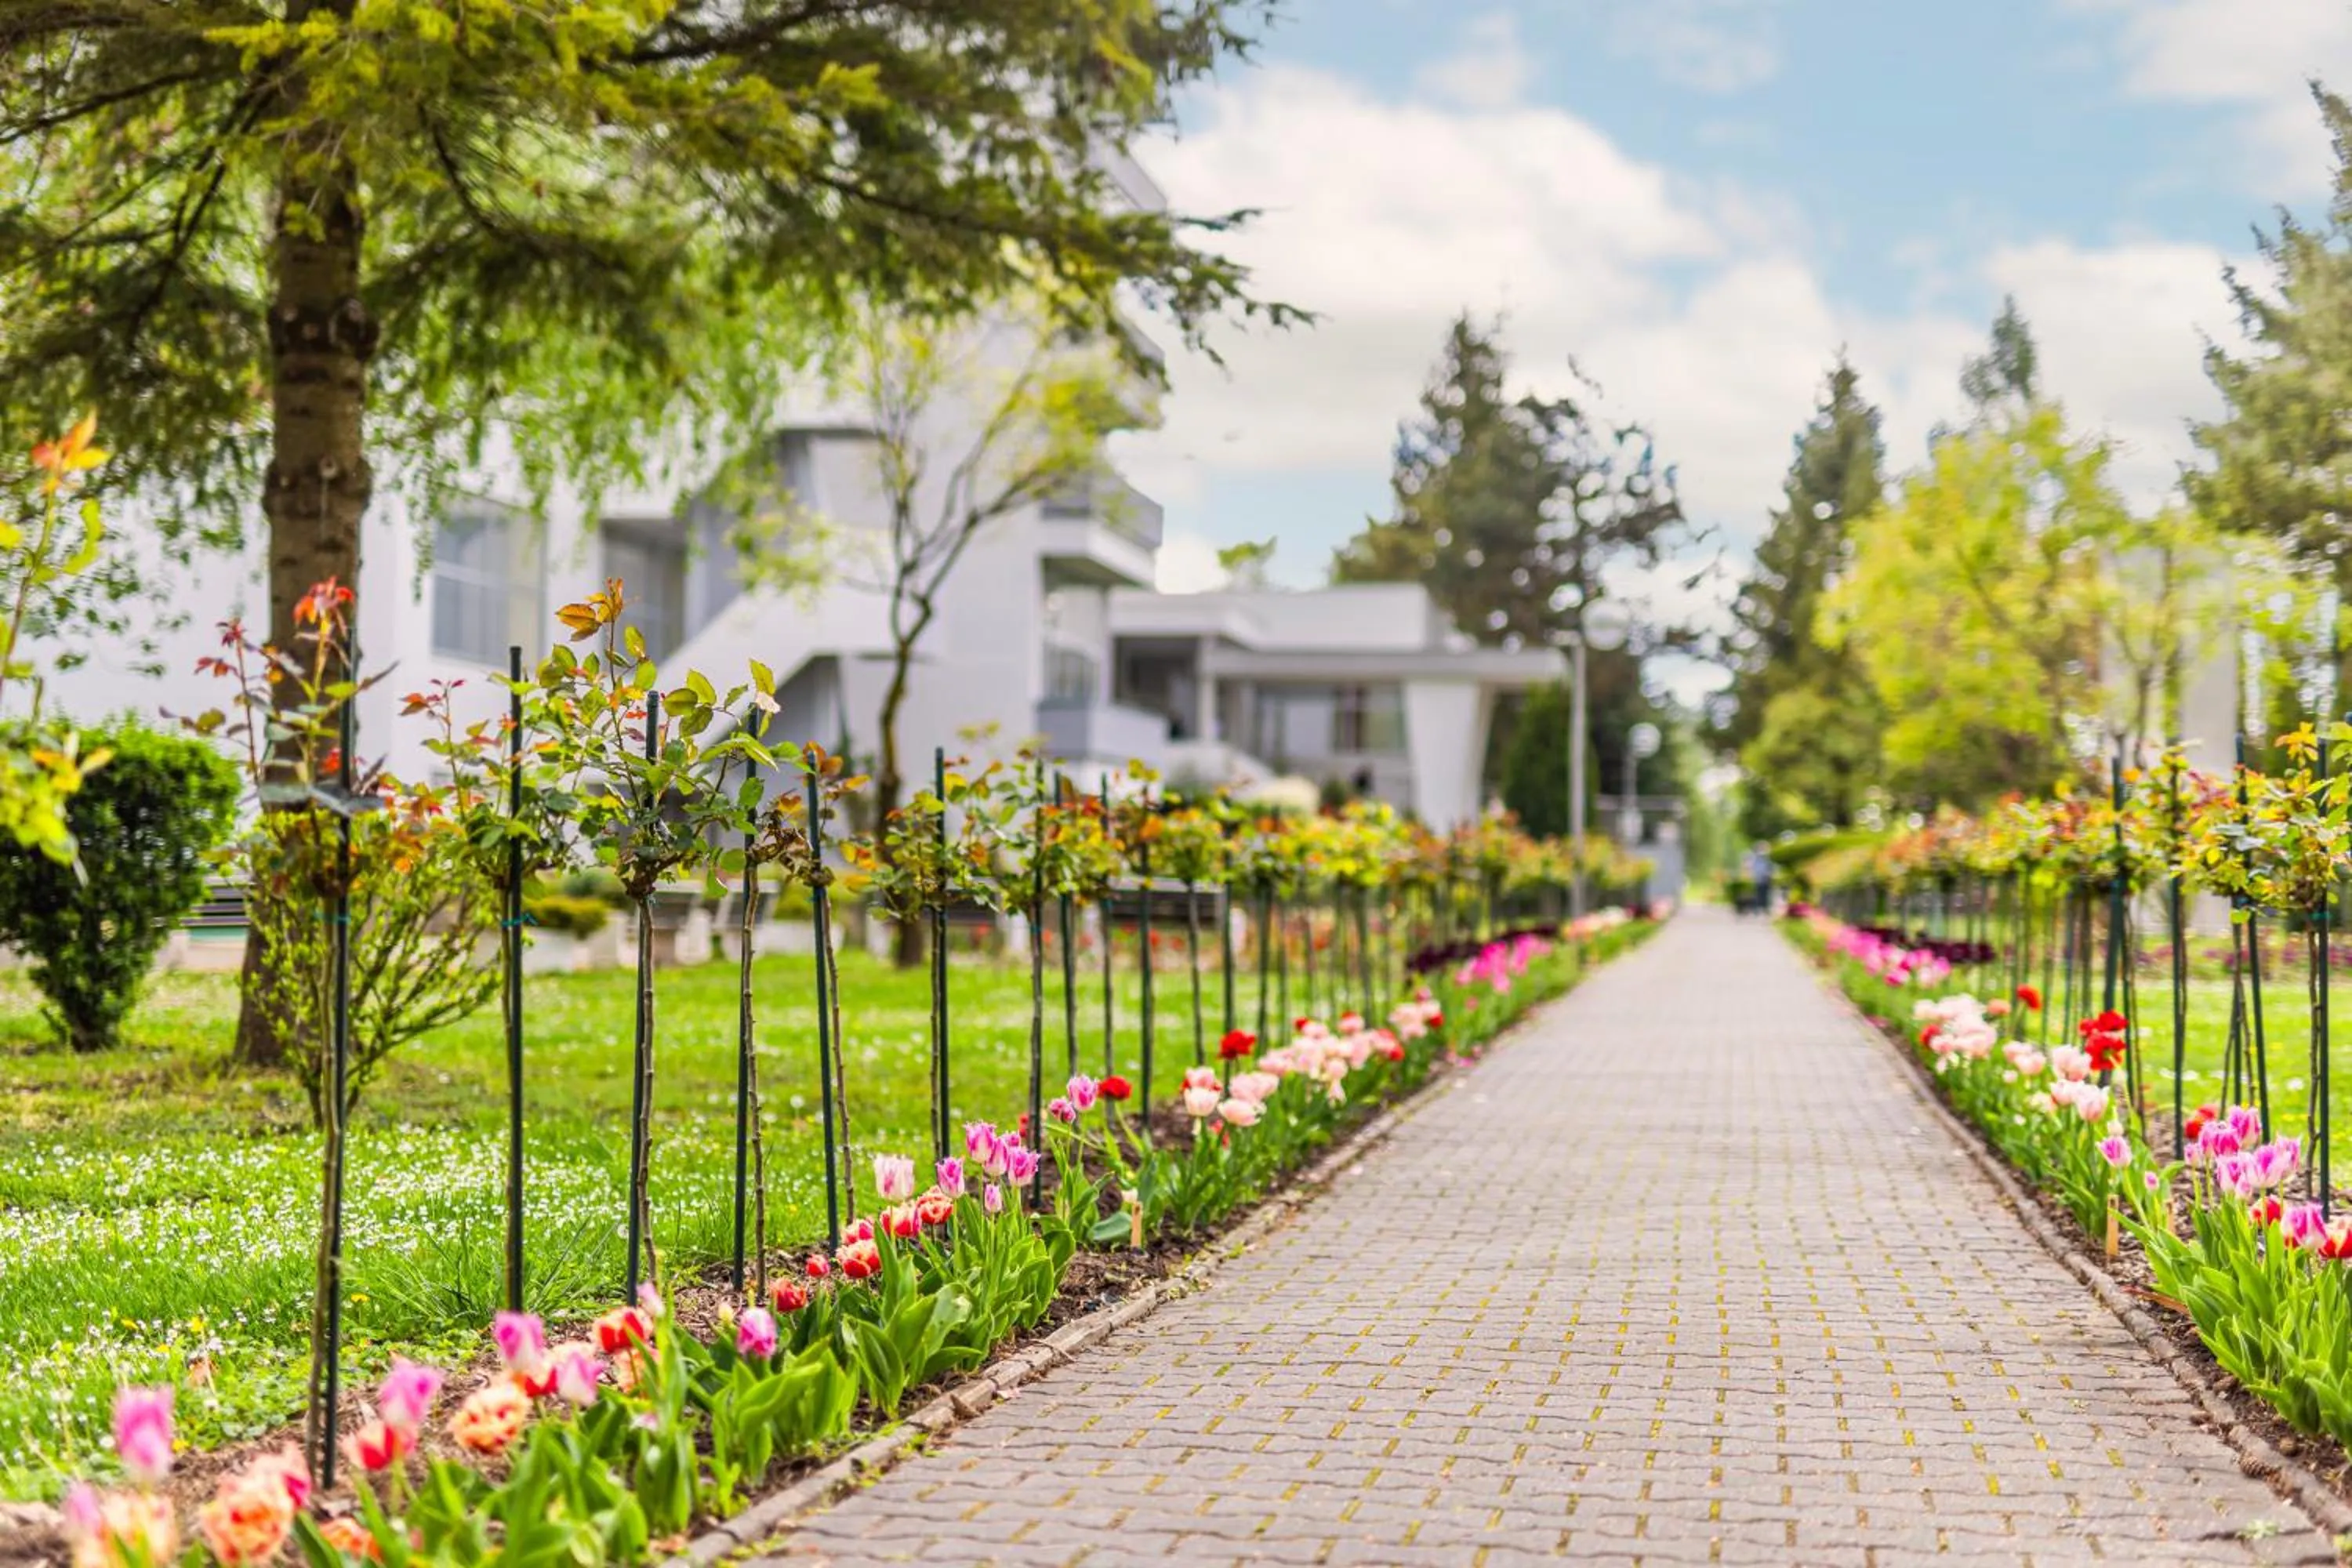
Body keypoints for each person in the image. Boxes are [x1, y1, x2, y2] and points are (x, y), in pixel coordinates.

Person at [1744, 842, 1775, 916]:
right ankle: (1757, 909)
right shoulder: (1757, 857)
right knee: (1759, 894)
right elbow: (1754, 867)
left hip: (1766, 878)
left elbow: (1770, 868)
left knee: (1766, 895)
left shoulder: (1767, 857)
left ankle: (1765, 909)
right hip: (1759, 878)